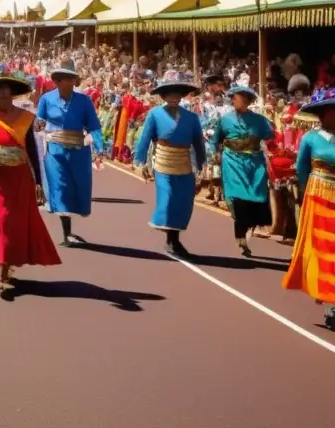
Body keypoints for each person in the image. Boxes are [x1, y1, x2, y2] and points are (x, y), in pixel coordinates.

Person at [0, 74, 60, 290]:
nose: (4, 92)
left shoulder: (25, 118)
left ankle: (4, 268)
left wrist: (38, 181)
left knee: (12, 226)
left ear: (11, 93)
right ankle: (0, 262)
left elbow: (31, 149)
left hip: (19, 178)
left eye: (7, 89)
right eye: (0, 89)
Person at [133, 80, 207, 258]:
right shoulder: (155, 114)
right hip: (164, 161)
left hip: (184, 162)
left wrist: (202, 165)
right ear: (164, 96)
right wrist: (140, 160)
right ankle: (171, 240)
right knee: (168, 199)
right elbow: (145, 138)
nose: (174, 98)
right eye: (170, 94)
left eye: (177, 94)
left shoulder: (191, 117)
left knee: (183, 201)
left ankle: (175, 239)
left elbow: (198, 143)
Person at [281, 92, 335, 331]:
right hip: (319, 197)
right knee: (324, 251)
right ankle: (330, 304)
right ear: (323, 115)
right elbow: (302, 170)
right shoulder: (311, 139)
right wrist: (306, 195)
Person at [35, 60, 104, 247]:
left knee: (77, 188)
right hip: (55, 151)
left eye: (70, 78)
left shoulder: (84, 101)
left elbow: (94, 127)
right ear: (56, 81)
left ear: (75, 81)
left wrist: (99, 148)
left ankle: (70, 228)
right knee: (60, 188)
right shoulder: (46, 99)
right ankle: (66, 233)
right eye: (62, 79)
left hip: (78, 151)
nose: (66, 82)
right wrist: (36, 129)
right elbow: (38, 124)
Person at [209, 86, 275, 257]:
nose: (234, 101)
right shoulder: (224, 120)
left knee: (256, 198)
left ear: (247, 101)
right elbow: (215, 140)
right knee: (239, 201)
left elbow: (271, 138)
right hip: (233, 162)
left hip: (255, 163)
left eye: (238, 98)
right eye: (233, 98)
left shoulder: (260, 121)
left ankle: (247, 231)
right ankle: (241, 238)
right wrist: (215, 154)